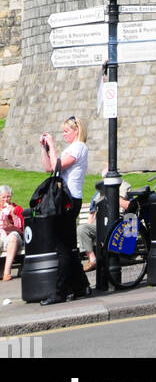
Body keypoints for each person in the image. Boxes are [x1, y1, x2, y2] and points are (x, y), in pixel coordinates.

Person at [38, 115, 91, 305]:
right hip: (65, 200)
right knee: (67, 246)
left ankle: (60, 292)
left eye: (66, 131)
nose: (64, 135)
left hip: (69, 200)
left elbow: (58, 165)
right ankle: (81, 286)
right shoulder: (72, 148)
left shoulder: (79, 147)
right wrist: (45, 148)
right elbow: (49, 168)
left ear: (76, 130)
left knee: (62, 247)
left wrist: (52, 145)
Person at [77, 179, 131, 272]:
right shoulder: (98, 192)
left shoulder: (123, 186)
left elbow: (127, 205)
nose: (104, 180)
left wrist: (111, 195)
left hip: (115, 222)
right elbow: (92, 214)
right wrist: (88, 231)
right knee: (82, 229)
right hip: (98, 223)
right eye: (103, 178)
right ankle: (93, 260)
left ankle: (109, 259)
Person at [0, 186, 23, 281]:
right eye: (3, 197)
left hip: (13, 237)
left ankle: (6, 272)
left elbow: (21, 229)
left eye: (8, 197)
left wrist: (13, 215)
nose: (6, 199)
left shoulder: (17, 208)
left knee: (13, 235)